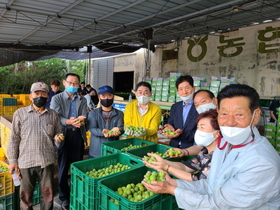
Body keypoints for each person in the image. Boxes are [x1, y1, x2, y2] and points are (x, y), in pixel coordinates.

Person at [142, 84, 280, 209]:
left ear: (255, 116)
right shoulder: (225, 143)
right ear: (218, 111)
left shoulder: (261, 163)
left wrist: (171, 190)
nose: (230, 122)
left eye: (239, 114)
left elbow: (219, 204)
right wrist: (173, 183)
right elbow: (211, 185)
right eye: (224, 114)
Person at [7, 82, 64, 210]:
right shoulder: (20, 114)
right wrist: (13, 160)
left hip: (47, 161)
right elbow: (14, 139)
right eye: (36, 93)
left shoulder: (53, 115)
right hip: (26, 162)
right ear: (30, 96)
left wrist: (58, 137)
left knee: (48, 194)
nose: (40, 96)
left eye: (43, 94)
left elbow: (58, 133)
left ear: (48, 97)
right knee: (26, 196)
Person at [144, 109, 219, 181]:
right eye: (198, 127)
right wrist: (162, 161)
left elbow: (198, 180)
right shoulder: (204, 152)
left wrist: (167, 168)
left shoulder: (219, 157)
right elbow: (185, 167)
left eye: (202, 127)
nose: (198, 131)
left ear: (218, 133)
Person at [50, 73, 87, 210]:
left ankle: (77, 193)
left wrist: (81, 120)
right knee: (63, 167)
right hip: (63, 135)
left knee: (77, 167)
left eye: (75, 83)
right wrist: (68, 121)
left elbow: (84, 114)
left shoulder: (82, 99)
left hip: (78, 135)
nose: (73, 85)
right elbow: (56, 116)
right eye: (70, 83)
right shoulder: (57, 98)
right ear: (64, 83)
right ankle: (64, 197)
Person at [87, 85, 124, 158]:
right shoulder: (93, 113)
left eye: (109, 95)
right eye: (103, 96)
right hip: (96, 150)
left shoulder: (119, 113)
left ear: (113, 97)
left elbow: (121, 128)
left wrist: (119, 130)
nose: (106, 98)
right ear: (99, 97)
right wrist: (103, 132)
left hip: (112, 149)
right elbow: (92, 128)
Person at [164, 75, 198, 149]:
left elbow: (200, 132)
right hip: (174, 147)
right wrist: (169, 128)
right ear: (177, 91)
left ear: (194, 88)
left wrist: (182, 133)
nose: (184, 92)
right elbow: (171, 122)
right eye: (181, 89)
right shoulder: (175, 107)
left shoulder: (199, 107)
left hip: (191, 148)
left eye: (187, 88)